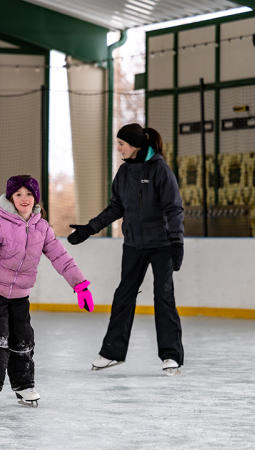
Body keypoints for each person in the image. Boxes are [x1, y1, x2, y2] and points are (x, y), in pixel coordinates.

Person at [0, 174, 94, 407]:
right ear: (10, 197)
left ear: (35, 197)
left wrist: (80, 285)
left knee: (24, 338)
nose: (24, 198)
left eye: (28, 194)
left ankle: (24, 385)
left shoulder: (42, 228)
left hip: (19, 295)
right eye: (18, 194)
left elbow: (61, 257)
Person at [67, 123, 184, 376]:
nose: (118, 147)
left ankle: (171, 356)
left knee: (163, 297)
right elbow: (116, 207)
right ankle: (112, 353)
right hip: (133, 244)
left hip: (162, 245)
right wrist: (90, 228)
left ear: (135, 145)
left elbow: (174, 208)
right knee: (123, 296)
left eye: (121, 143)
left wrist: (177, 242)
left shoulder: (160, 170)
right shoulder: (124, 172)